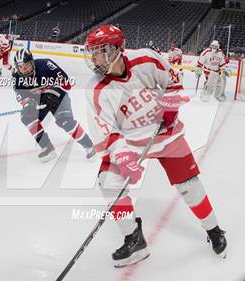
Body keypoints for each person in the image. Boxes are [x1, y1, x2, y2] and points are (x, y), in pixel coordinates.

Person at [84, 25, 227, 267]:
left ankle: (214, 230)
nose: (94, 57)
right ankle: (134, 239)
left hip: (166, 136)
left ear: (118, 49)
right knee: (108, 182)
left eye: (100, 51)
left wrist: (170, 106)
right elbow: (106, 132)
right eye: (92, 52)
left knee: (190, 186)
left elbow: (173, 81)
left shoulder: (146, 59)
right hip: (130, 142)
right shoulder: (96, 89)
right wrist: (123, 156)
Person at [12, 48, 95, 162]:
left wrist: (52, 91)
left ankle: (89, 145)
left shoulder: (45, 64)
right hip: (40, 102)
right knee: (26, 117)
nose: (24, 69)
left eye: (26, 65)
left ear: (32, 62)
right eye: (20, 67)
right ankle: (47, 147)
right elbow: (20, 95)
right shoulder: (16, 77)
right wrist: (28, 103)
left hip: (58, 98)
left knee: (65, 121)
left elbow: (67, 84)